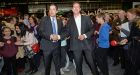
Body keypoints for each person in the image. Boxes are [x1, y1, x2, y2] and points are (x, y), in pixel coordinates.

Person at [51, 2, 98, 75]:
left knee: (92, 63)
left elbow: (92, 29)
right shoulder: (70, 21)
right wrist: (58, 36)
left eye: (77, 7)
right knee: (78, 65)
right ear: (72, 9)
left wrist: (85, 35)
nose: (75, 8)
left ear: (80, 9)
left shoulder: (86, 18)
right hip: (76, 45)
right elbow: (67, 32)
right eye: (74, 7)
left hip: (87, 44)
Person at [38, 4, 64, 75]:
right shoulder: (44, 19)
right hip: (46, 46)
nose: (51, 11)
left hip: (57, 46)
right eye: (50, 9)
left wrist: (60, 36)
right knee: (47, 66)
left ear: (57, 11)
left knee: (57, 64)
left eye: (53, 9)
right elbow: (40, 31)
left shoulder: (59, 21)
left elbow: (62, 32)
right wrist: (50, 36)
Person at [121, 8, 140, 75]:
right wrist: (126, 40)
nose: (127, 16)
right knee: (130, 65)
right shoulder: (134, 23)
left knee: (134, 67)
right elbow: (131, 36)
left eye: (128, 15)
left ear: (134, 15)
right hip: (133, 47)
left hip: (138, 49)